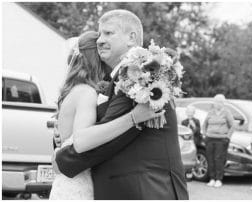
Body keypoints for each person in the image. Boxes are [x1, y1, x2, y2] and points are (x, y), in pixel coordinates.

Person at [54, 10, 189, 200]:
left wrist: (63, 159)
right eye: (100, 34)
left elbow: (109, 141)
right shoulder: (115, 80)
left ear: (131, 38)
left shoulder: (143, 73)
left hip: (147, 190)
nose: (99, 40)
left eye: (108, 33)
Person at [203, 94, 234, 188]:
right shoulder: (210, 112)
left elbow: (233, 126)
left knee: (219, 159)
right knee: (210, 159)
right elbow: (204, 124)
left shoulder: (226, 112)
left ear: (223, 103)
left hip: (221, 139)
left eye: (220, 102)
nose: (218, 104)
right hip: (209, 138)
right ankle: (212, 179)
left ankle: (218, 179)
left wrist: (227, 137)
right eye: (216, 102)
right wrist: (205, 134)